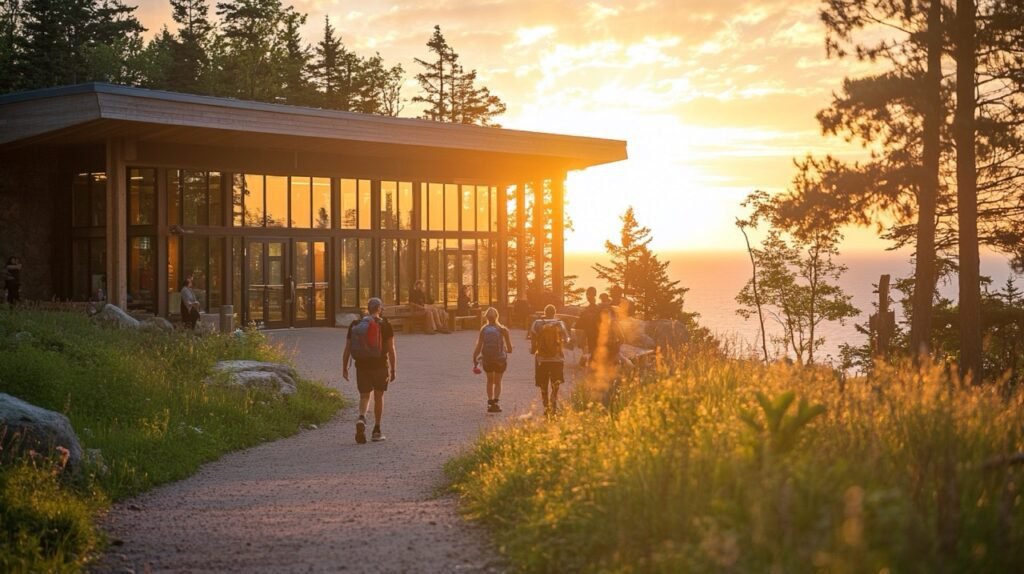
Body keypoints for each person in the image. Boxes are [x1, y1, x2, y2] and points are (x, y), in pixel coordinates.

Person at [342, 297, 397, 443]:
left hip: (362, 366)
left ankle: (362, 417)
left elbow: (347, 349)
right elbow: (391, 350)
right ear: (380, 309)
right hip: (380, 366)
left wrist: (344, 367)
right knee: (379, 396)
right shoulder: (385, 325)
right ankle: (376, 430)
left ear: (368, 308)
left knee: (364, 396)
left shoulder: (355, 324)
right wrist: (393, 370)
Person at [528, 304, 572, 415]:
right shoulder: (560, 323)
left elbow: (533, 342)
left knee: (543, 383)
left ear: (545, 312)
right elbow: (567, 339)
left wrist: (533, 350)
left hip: (541, 359)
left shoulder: (537, 323)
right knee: (555, 383)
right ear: (554, 312)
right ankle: (553, 402)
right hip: (557, 359)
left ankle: (546, 406)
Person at [472, 307, 513, 413]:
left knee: (489, 381)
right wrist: (505, 349)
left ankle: (490, 402)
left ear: (486, 317)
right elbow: (510, 350)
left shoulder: (484, 330)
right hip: (500, 359)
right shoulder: (503, 330)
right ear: (497, 316)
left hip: (487, 359)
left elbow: (479, 346)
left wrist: (474, 358)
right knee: (498, 382)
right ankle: (496, 402)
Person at [577, 287, 600, 364]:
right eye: (587, 294)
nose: (587, 296)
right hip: (593, 337)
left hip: (593, 337)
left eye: (588, 294)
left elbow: (583, 325)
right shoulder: (592, 309)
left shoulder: (590, 310)